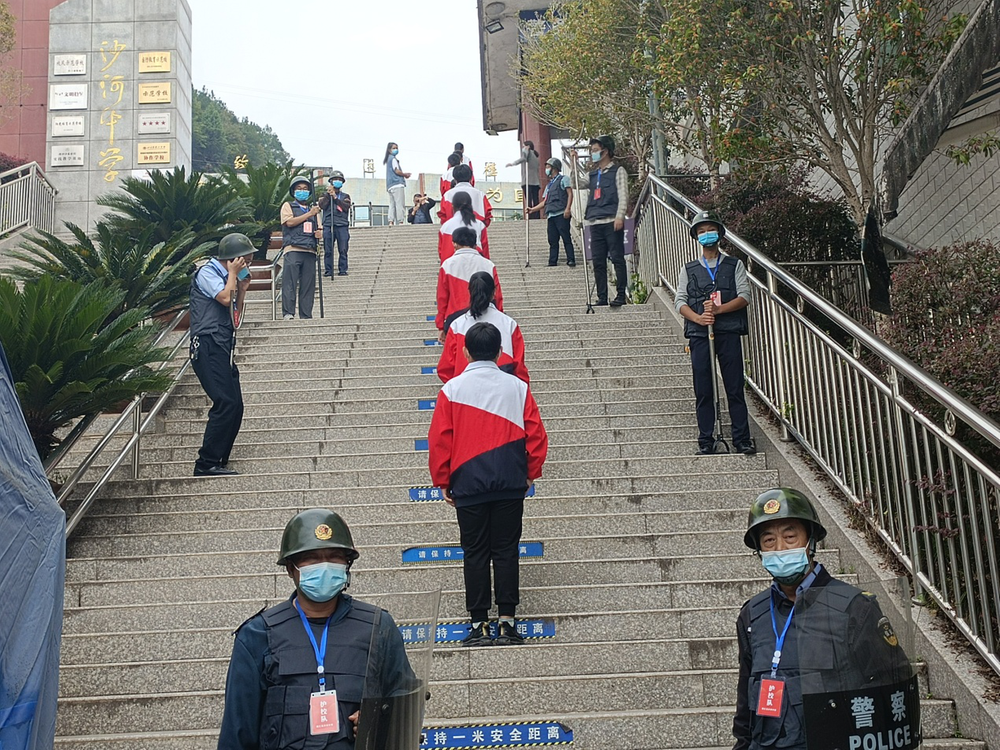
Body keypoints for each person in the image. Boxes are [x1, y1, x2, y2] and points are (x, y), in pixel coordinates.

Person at [217, 508, 417, 750]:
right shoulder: (257, 635)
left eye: (334, 557)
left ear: (347, 565)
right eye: (311, 558)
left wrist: (381, 722)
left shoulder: (378, 626)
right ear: (290, 568)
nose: (324, 566)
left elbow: (406, 708)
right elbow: (237, 734)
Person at [734, 488, 912, 750]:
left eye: (790, 537)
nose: (779, 548)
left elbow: (893, 690)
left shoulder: (854, 608)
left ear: (811, 541)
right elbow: (745, 706)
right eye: (768, 540)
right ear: (759, 550)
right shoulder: (752, 614)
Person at [428, 322, 548, 646]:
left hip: (468, 482)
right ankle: (507, 621)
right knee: (506, 550)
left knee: (475, 552)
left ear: (466, 352)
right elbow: (536, 435)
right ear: (499, 352)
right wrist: (530, 472)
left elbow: (440, 439)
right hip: (509, 480)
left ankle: (479, 622)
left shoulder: (451, 390)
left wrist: (442, 479)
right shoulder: (518, 387)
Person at [674, 210, 755, 455]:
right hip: (700, 335)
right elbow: (680, 301)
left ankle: (742, 439)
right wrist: (698, 318)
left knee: (734, 386)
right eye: (701, 231)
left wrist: (719, 310)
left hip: (728, 332)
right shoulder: (689, 269)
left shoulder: (734, 264)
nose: (706, 234)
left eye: (710, 230)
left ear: (719, 234)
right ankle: (706, 439)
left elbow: (744, 296)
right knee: (703, 388)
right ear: (696, 237)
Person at [189, 233, 254, 477]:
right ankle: (206, 463)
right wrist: (234, 275)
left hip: (223, 346)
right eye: (245, 260)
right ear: (233, 258)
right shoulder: (207, 272)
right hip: (208, 344)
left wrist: (243, 289)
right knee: (225, 401)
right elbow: (225, 299)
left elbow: (235, 317)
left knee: (235, 404)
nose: (247, 264)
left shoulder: (229, 278)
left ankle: (220, 459)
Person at [438, 271, 528, 383]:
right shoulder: (509, 324)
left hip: (466, 387)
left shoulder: (457, 325)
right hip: (502, 387)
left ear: (470, 292)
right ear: (494, 292)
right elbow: (519, 368)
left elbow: (445, 369)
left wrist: (457, 386)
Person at [583, 135, 629, 307]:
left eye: (595, 150)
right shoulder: (592, 174)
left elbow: (623, 195)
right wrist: (572, 163)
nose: (593, 153)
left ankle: (621, 295)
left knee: (617, 258)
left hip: (611, 220)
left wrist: (620, 216)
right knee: (598, 261)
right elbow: (576, 183)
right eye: (592, 150)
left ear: (606, 151)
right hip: (595, 222)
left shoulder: (618, 171)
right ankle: (602, 297)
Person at [436, 227, 503, 335]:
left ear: (454, 244)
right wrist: (499, 315)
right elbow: (497, 295)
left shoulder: (447, 265)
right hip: (486, 318)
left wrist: (441, 325)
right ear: (475, 243)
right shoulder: (488, 264)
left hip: (455, 317)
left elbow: (442, 297)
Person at [280, 177, 321, 319]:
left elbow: (319, 228)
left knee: (308, 285)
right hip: (293, 249)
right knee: (290, 282)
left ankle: (306, 314)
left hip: (310, 250)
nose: (302, 191)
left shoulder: (313, 210)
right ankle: (288, 312)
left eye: (305, 189)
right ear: (293, 191)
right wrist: (309, 214)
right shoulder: (288, 206)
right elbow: (289, 222)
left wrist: (319, 233)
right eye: (299, 189)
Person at [526, 157, 576, 267]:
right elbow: (545, 201)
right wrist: (532, 209)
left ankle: (571, 259)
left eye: (548, 167)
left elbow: (570, 194)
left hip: (561, 213)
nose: (546, 169)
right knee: (552, 240)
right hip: (551, 215)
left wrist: (568, 208)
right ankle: (552, 261)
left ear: (554, 168)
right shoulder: (549, 185)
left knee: (566, 237)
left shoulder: (564, 179)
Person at [439, 164, 492, 256]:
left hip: (452, 237)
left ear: (455, 178)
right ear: (471, 177)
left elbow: (444, 217)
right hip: (476, 237)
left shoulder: (447, 195)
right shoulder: (480, 194)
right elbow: (487, 216)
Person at [319, 170, 351, 277]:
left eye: (339, 180)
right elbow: (322, 205)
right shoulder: (324, 195)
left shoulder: (346, 196)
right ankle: (328, 270)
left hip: (342, 225)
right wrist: (329, 195)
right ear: (331, 181)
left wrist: (336, 198)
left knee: (343, 249)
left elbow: (346, 207)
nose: (337, 181)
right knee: (328, 249)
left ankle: (343, 269)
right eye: (335, 179)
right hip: (328, 224)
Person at [438, 191, 486, 261]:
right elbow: (485, 252)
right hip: (476, 264)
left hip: (451, 265)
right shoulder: (480, 225)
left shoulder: (445, 226)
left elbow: (442, 253)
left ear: (452, 206)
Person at [507, 140, 540, 217]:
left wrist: (513, 163)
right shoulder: (535, 156)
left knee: (528, 199)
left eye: (524, 146)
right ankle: (537, 215)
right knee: (535, 199)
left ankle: (530, 216)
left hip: (528, 181)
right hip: (536, 182)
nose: (523, 148)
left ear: (528, 146)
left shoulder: (528, 154)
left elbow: (523, 158)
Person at [384, 141, 410, 226]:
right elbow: (396, 170)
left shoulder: (388, 160)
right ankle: (400, 221)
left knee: (392, 204)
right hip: (397, 183)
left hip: (390, 185)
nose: (396, 150)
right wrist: (405, 175)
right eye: (394, 148)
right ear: (389, 150)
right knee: (399, 203)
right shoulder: (393, 159)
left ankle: (391, 221)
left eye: (396, 148)